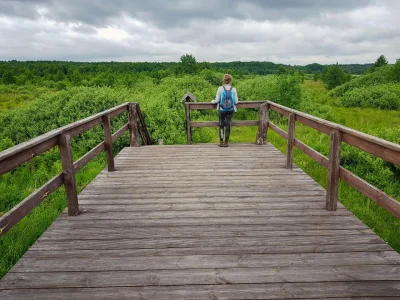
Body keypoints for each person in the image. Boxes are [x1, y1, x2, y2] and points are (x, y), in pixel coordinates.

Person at [211, 74, 238, 147]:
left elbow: (217, 100)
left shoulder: (220, 89)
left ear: (224, 80)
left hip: (221, 110)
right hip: (230, 110)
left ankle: (221, 142)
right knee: (228, 125)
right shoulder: (233, 89)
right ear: (230, 80)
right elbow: (236, 102)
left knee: (221, 125)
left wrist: (212, 101)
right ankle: (226, 142)